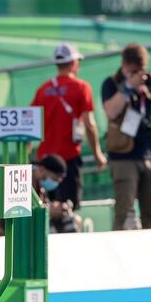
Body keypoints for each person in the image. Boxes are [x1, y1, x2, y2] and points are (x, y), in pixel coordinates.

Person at [101, 43, 151, 230]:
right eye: (133, 71)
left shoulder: (147, 87)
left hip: (150, 155)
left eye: (140, 71)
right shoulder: (112, 83)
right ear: (124, 66)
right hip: (124, 156)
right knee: (124, 212)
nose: (137, 75)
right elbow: (111, 111)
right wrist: (128, 87)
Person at [31, 43, 107, 212]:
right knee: (67, 210)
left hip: (44, 163)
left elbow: (29, 126)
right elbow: (89, 123)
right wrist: (97, 154)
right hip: (68, 160)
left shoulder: (43, 90)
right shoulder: (82, 87)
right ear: (74, 63)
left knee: (44, 209)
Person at [33, 154, 80, 233]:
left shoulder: (40, 187)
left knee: (74, 219)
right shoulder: (26, 183)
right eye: (54, 179)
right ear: (42, 170)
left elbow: (44, 204)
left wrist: (59, 207)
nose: (54, 184)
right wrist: (49, 212)